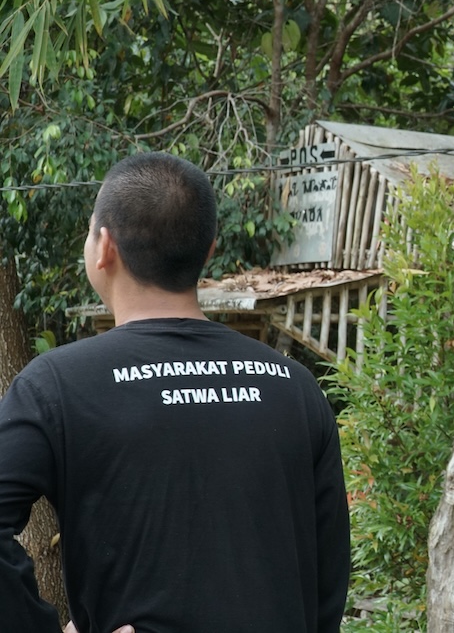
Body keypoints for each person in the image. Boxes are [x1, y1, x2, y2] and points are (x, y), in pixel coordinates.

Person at [0, 152, 350, 633]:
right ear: (209, 251)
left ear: (104, 247)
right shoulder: (295, 388)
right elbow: (327, 581)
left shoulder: (56, 387)